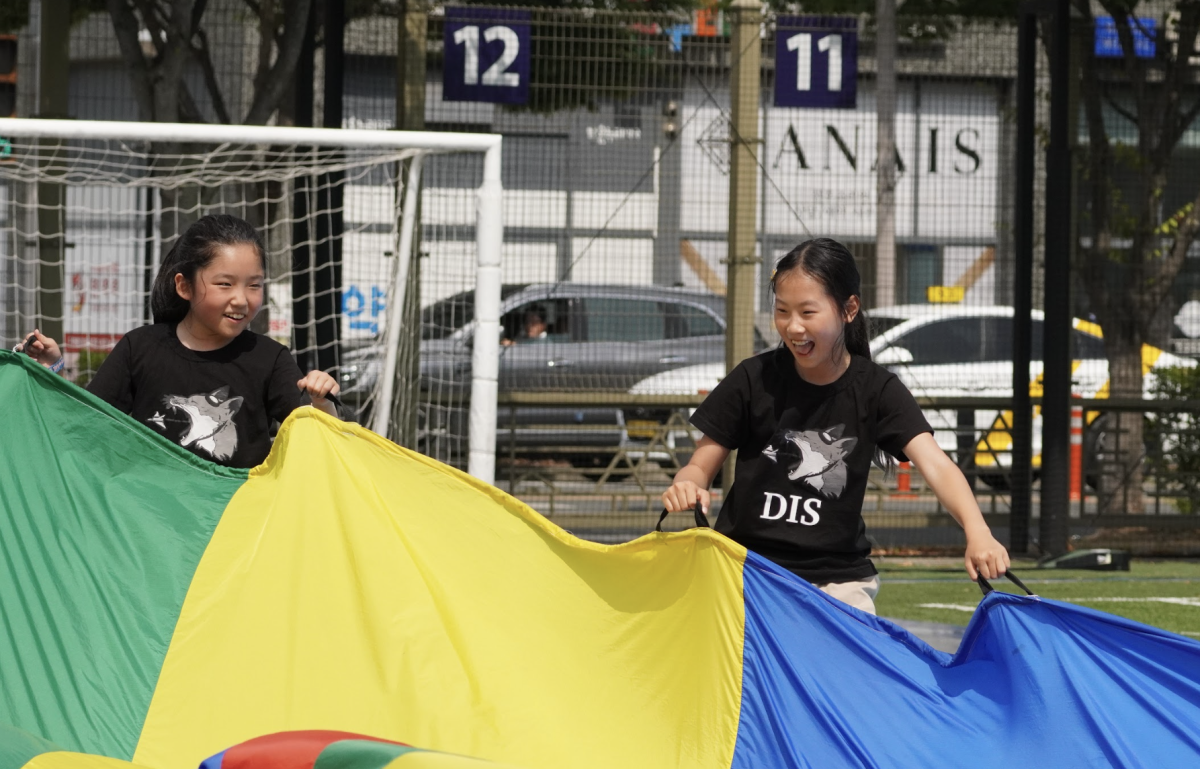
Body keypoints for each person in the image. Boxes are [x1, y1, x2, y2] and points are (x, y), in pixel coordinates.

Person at [661, 238, 1009, 614]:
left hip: (838, 580)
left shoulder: (878, 389)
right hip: (745, 570)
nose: (793, 327)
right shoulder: (752, 378)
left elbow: (937, 465)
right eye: (782, 311)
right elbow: (700, 463)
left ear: (849, 309)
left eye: (808, 312)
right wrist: (688, 484)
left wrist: (979, 532)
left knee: (853, 666)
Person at [16, 213, 339, 469]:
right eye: (224, 284)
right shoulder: (140, 347)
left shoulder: (269, 358)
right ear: (183, 286)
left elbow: (323, 440)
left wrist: (323, 402)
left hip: (235, 525)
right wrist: (51, 371)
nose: (241, 299)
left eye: (254, 285)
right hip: (148, 518)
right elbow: (87, 424)